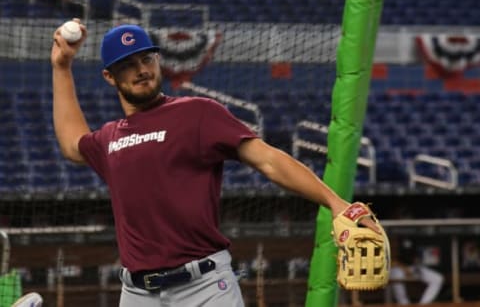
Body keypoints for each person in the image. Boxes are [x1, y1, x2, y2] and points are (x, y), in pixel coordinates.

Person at [50, 19, 382, 307]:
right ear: (110, 76)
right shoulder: (110, 137)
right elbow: (71, 144)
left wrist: (335, 203)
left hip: (204, 288)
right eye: (128, 64)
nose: (141, 69)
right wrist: (62, 67)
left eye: (147, 58)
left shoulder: (197, 113)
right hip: (137, 293)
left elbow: (267, 160)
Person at [390, 238, 444, 305]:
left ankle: (423, 304)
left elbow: (416, 261)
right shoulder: (393, 243)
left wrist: (415, 268)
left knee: (438, 278)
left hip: (414, 268)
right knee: (396, 275)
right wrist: (404, 268)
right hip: (399, 269)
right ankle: (404, 304)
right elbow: (391, 263)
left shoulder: (415, 242)